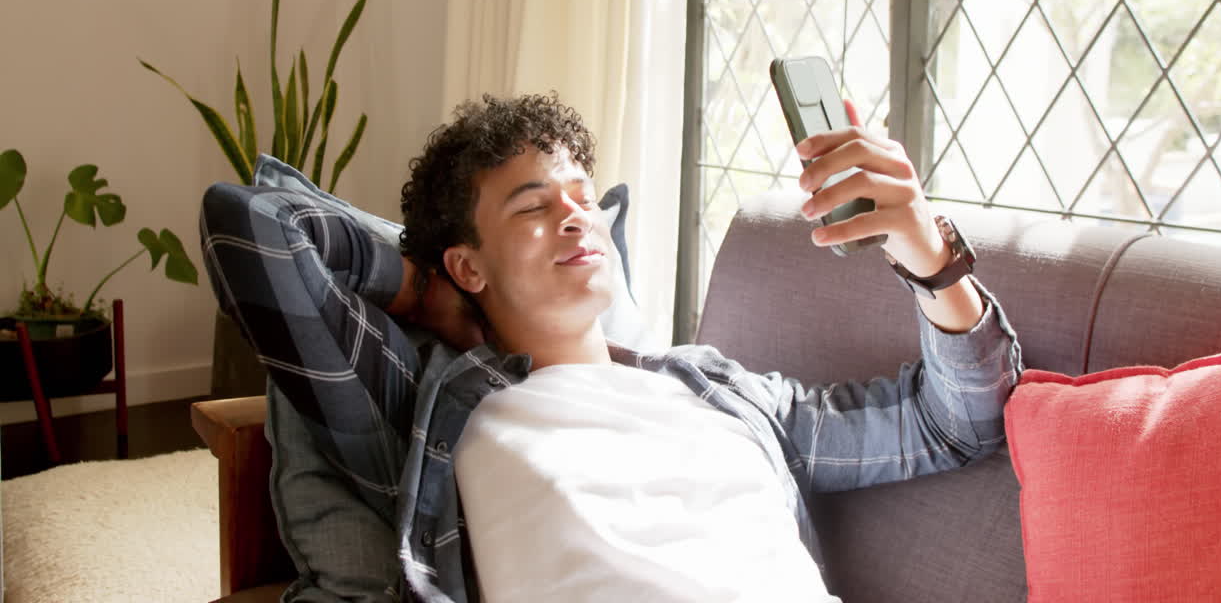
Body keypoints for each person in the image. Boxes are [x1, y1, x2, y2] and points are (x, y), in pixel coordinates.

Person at [199, 91, 1021, 603]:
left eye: (584, 196)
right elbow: (259, 233)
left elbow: (958, 424)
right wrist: (422, 293)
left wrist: (924, 246)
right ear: (466, 265)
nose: (575, 215)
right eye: (532, 206)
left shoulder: (723, 393)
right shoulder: (432, 406)